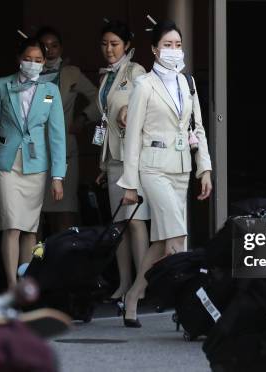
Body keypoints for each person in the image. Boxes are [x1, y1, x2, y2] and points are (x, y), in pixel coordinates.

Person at [118, 19, 213, 327]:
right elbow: (132, 137)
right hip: (152, 167)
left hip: (181, 167)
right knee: (178, 236)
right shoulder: (144, 84)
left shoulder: (188, 83)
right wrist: (129, 183)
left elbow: (197, 128)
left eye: (178, 45)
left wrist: (205, 169)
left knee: (162, 240)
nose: (174, 51)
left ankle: (133, 296)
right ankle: (186, 306)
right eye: (167, 45)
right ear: (154, 49)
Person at [0, 37, 66, 288]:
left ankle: (25, 282)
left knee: (29, 229)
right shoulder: (2, 85)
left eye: (38, 60)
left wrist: (58, 177)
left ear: (44, 62)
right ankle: (11, 286)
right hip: (7, 163)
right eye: (28, 59)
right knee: (11, 225)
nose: (32, 64)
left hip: (36, 165)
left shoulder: (50, 90)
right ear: (18, 59)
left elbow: (57, 135)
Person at [94, 20, 150, 303]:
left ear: (127, 45)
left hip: (132, 159)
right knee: (118, 224)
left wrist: (129, 107)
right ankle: (124, 282)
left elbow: (144, 106)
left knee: (135, 221)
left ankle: (142, 283)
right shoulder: (106, 77)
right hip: (113, 158)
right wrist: (102, 164)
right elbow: (102, 122)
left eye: (115, 44)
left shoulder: (136, 71)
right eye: (104, 44)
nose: (109, 49)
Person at [36, 26, 101, 234]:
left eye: (54, 46)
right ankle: (34, 262)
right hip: (34, 151)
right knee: (33, 212)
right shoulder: (30, 71)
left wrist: (83, 118)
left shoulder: (71, 73)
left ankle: (64, 259)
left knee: (64, 208)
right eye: (44, 46)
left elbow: (99, 98)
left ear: (61, 48)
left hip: (64, 147)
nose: (50, 50)